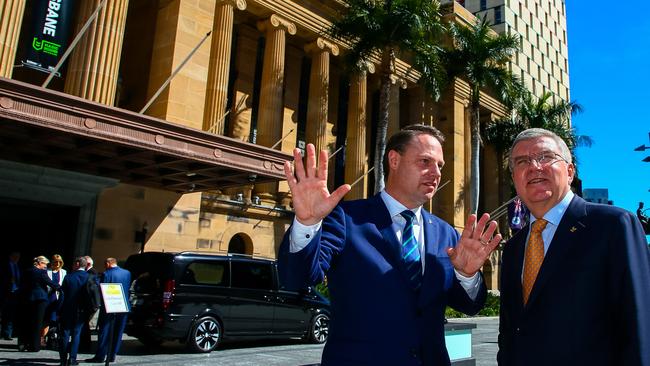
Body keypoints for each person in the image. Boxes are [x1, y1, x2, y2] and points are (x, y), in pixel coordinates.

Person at [279, 125, 501, 365]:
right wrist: (306, 223)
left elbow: (468, 305)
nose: (435, 172)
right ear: (394, 160)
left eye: (440, 165)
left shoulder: (446, 233)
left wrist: (467, 276)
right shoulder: (346, 219)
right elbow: (297, 279)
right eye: (425, 161)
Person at [498, 128, 650, 366]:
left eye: (546, 157)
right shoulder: (513, 248)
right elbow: (510, 331)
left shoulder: (614, 226)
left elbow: (640, 324)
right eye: (522, 161)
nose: (534, 166)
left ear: (570, 172)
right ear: (514, 178)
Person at [86, 258, 131, 363]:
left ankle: (101, 355)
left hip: (109, 306)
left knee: (104, 331)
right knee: (118, 331)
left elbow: (102, 289)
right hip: (123, 306)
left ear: (108, 264)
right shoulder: (127, 273)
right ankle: (112, 355)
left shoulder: (106, 274)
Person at [17, 256, 61, 352]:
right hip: (40, 299)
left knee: (26, 321)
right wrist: (61, 288)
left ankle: (23, 343)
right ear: (39, 263)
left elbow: (21, 284)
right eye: (44, 264)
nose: (46, 266)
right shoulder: (41, 272)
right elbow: (50, 283)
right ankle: (34, 346)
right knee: (37, 322)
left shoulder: (27, 271)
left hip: (27, 298)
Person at [58, 257, 92, 366]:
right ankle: (72, 359)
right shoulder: (89, 277)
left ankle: (63, 360)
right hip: (81, 311)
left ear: (77, 264)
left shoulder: (68, 277)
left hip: (67, 310)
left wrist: (58, 309)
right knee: (76, 334)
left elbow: (62, 296)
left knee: (65, 334)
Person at [44, 254, 67, 343]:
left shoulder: (64, 272)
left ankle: (52, 337)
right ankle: (43, 336)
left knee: (55, 318)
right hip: (48, 296)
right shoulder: (47, 271)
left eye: (59, 262)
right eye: (55, 262)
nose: (57, 264)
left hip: (58, 297)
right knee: (46, 318)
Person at [1, 251, 21, 340]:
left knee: (11, 314)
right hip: (6, 292)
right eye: (15, 256)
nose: (17, 258)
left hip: (15, 292)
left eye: (18, 257)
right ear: (10, 256)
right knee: (4, 313)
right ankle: (3, 332)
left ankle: (8, 333)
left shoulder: (18, 266)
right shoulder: (5, 266)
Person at [79, 255, 98, 352]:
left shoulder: (92, 273)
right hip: (88, 303)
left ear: (88, 264)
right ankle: (84, 344)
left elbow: (92, 290)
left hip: (89, 304)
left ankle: (85, 345)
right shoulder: (89, 273)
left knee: (85, 325)